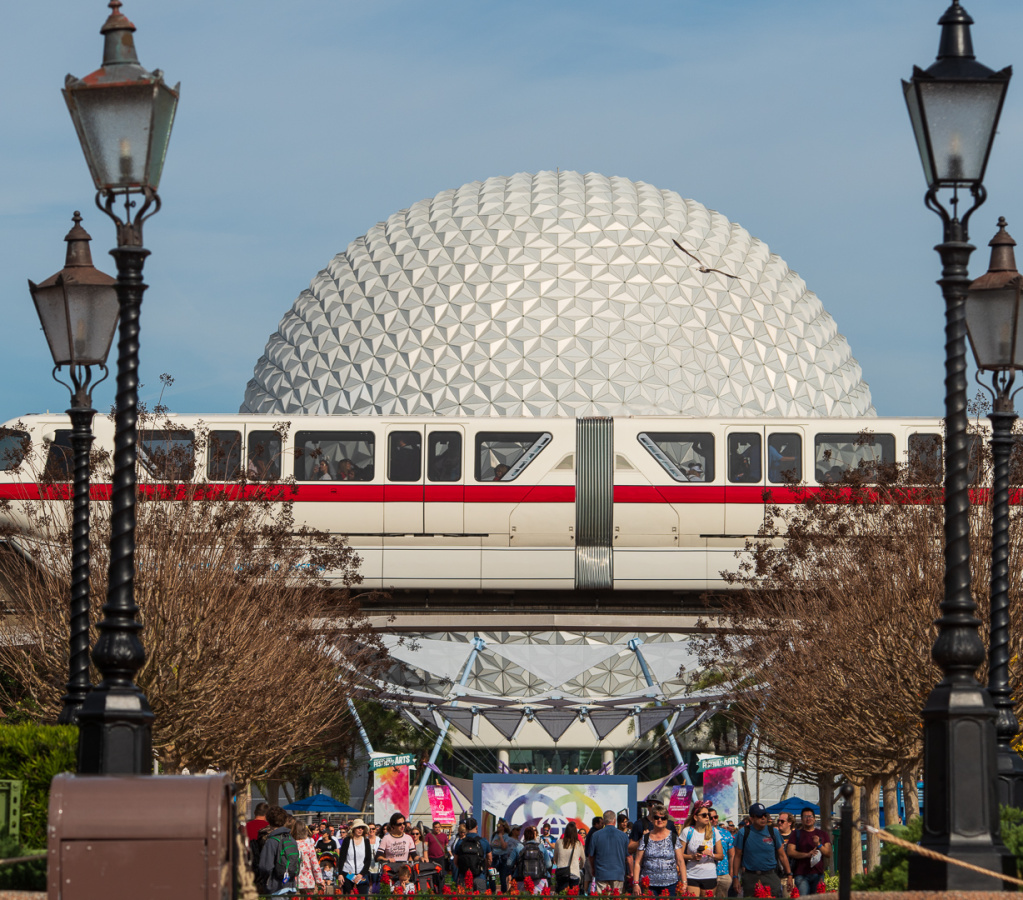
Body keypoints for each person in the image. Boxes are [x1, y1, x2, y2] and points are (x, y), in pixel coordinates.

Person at [731, 803, 793, 900]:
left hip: (771, 876)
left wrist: (789, 875)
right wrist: (735, 878)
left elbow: (782, 855)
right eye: (759, 816)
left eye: (765, 815)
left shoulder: (773, 832)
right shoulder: (743, 833)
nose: (763, 818)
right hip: (750, 877)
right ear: (752, 818)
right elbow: (737, 856)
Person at [632, 803, 686, 897]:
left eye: (663, 818)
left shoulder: (673, 837)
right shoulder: (645, 838)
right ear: (652, 819)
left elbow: (681, 862)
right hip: (649, 885)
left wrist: (684, 882)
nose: (660, 820)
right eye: (656, 817)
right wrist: (636, 883)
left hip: (670, 884)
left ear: (667, 819)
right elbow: (637, 862)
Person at [679, 804, 723, 897]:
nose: (707, 817)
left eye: (708, 815)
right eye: (704, 815)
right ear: (695, 817)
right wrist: (692, 857)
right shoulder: (687, 831)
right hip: (691, 874)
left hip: (709, 874)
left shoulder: (714, 832)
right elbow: (679, 855)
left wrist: (711, 855)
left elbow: (721, 856)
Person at [257, 805, 302, 895]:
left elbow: (265, 867)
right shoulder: (291, 839)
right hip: (290, 885)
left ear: (268, 820)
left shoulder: (271, 841)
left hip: (276, 886)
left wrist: (263, 880)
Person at [787, 808, 832, 897]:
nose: (808, 819)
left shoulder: (823, 834)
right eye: (805, 817)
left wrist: (819, 844)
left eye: (810, 816)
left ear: (814, 819)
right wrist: (807, 854)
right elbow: (790, 851)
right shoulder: (796, 834)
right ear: (802, 819)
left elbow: (828, 853)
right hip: (801, 875)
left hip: (818, 874)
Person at [588, 809, 630, 893]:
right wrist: (631, 872)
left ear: (603, 821)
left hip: (601, 873)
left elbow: (591, 855)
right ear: (615, 820)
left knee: (602, 897)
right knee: (616, 897)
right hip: (618, 873)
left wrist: (593, 868)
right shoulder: (623, 836)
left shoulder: (595, 835)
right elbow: (629, 856)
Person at [376, 812, 418, 883]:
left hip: (404, 872)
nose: (402, 826)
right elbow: (377, 857)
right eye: (399, 824)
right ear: (393, 826)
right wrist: (387, 860)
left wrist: (421, 858)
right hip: (391, 871)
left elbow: (414, 855)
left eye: (403, 823)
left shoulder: (408, 838)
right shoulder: (386, 838)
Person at [454, 816, 492, 891]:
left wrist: (464, 868)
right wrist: (484, 869)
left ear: (466, 828)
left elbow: (455, 861)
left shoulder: (460, 842)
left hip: (464, 877)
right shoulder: (483, 842)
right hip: (480, 876)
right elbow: (490, 859)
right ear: (477, 827)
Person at [339, 818, 373, 896]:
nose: (360, 830)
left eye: (362, 828)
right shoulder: (347, 840)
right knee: (348, 896)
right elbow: (342, 858)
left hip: (361, 874)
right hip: (348, 873)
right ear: (354, 829)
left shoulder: (366, 841)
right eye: (358, 827)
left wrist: (361, 874)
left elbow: (368, 860)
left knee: (362, 897)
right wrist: (340, 874)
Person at [707, 808, 734, 899]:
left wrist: (731, 874)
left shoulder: (726, 833)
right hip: (707, 873)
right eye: (711, 818)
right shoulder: (701, 833)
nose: (714, 819)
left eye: (716, 817)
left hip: (723, 874)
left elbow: (732, 855)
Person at [292, 821, 325, 895]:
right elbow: (315, 865)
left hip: (292, 882)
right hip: (308, 881)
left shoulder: (290, 845)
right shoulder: (309, 846)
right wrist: (319, 881)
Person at [552, 821, 583, 891]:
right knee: (573, 895)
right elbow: (583, 859)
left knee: (562, 894)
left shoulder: (559, 842)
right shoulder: (578, 844)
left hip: (562, 872)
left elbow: (555, 858)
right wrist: (579, 866)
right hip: (574, 872)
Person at [424, 821, 449, 892]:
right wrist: (425, 857)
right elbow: (425, 846)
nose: (437, 829)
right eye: (435, 827)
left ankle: (441, 891)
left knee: (441, 875)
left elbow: (447, 845)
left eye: (438, 827)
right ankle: (434, 890)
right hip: (431, 858)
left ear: (440, 827)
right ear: (433, 828)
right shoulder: (429, 835)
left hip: (441, 858)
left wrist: (449, 854)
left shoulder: (444, 835)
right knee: (433, 875)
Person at [584, 815, 603, 891]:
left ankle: (585, 893)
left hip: (587, 857)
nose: (603, 825)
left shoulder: (591, 831)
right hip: (592, 858)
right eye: (601, 823)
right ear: (596, 824)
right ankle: (593, 893)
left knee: (587, 877)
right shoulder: (595, 833)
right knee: (593, 877)